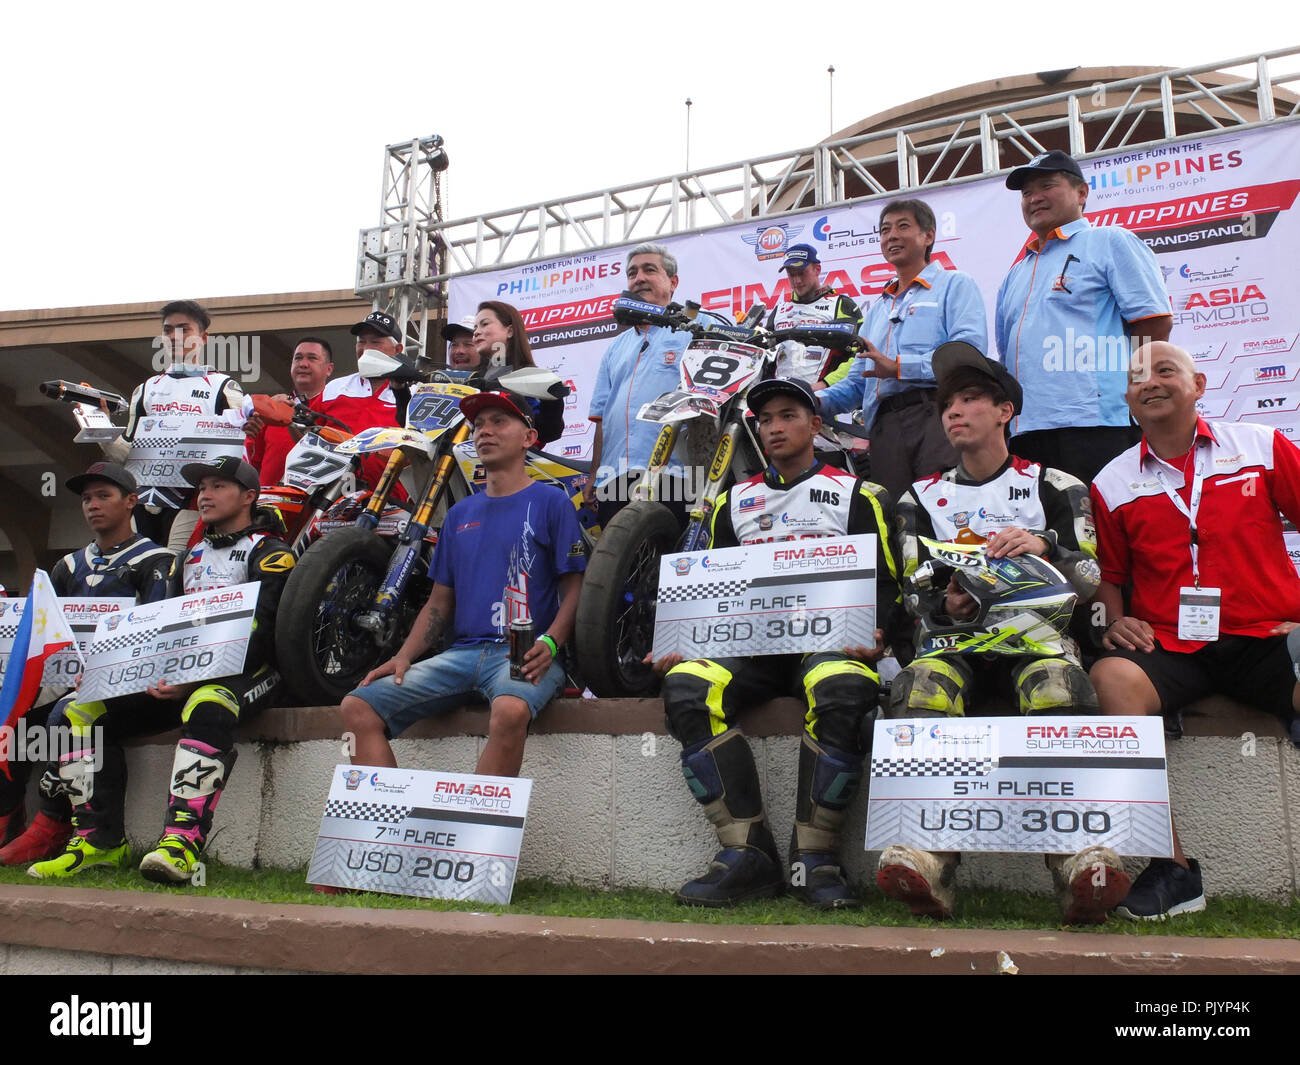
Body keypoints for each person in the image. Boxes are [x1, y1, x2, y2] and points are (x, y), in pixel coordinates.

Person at [875, 341, 1124, 924]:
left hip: (1039, 638)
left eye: (969, 399)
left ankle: (1078, 858)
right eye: (946, 405)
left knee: (1056, 684)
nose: (953, 412)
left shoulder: (1058, 485)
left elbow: (1089, 577)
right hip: (953, 643)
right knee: (920, 687)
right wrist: (950, 600)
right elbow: (913, 590)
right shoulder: (919, 496)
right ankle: (927, 855)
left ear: (1005, 411)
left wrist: (1044, 547)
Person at [650, 377, 905, 910]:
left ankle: (815, 858)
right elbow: (707, 584)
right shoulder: (730, 501)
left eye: (788, 415)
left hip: (832, 642)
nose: (774, 427)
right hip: (751, 645)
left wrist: (880, 634)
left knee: (840, 687)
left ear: (816, 426)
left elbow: (888, 582)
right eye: (765, 419)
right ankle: (746, 854)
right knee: (688, 686)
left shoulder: (861, 494)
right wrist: (682, 637)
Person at [1090, 342, 1300, 919]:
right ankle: (1174, 869)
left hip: (1266, 636)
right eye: (1137, 378)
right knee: (1111, 677)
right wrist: (1118, 619)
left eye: (1165, 370)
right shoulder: (1110, 482)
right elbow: (1111, 578)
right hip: (1175, 645)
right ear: (1128, 400)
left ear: (1200, 383)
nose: (1150, 382)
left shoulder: (1260, 445)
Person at [28, 458, 295, 883]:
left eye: (218, 486)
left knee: (208, 704)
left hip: (255, 674)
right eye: (201, 487)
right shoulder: (187, 556)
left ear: (249, 497)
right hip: (184, 676)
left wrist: (195, 678)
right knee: (82, 711)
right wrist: (115, 674)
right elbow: (160, 628)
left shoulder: (271, 553)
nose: (204, 494)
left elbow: (262, 632)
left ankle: (181, 844)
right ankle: (98, 843)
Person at [340, 391, 587, 778]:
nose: (485, 431)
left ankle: (474, 837)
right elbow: (439, 603)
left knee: (509, 710)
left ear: (529, 438)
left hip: (524, 655)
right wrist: (404, 656)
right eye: (478, 425)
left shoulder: (552, 501)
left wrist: (551, 643)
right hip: (462, 656)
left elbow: (576, 588)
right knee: (357, 707)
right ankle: (391, 831)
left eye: (498, 422)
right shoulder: (458, 514)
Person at [0, 462, 173, 865]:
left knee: (67, 714)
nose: (93, 505)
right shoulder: (67, 566)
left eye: (103, 496)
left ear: (132, 502)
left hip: (134, 686)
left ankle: (55, 825)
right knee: (11, 717)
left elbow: (157, 634)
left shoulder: (158, 560)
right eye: (86, 499)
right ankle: (9, 819)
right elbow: (45, 637)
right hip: (73, 681)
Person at [995, 150, 1173, 485]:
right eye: (1026, 193)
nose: (1034, 198)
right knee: (1048, 534)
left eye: (1046, 186)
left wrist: (1131, 391)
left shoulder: (1108, 241)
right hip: (1026, 428)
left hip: (1098, 424)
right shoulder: (1015, 273)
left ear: (1081, 193)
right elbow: (1007, 357)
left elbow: (1154, 323)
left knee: (1106, 530)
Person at [818, 199, 988, 502]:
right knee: (898, 523)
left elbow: (968, 357)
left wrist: (898, 367)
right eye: (884, 230)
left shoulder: (954, 285)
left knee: (946, 513)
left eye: (902, 226)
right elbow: (857, 382)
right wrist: (807, 401)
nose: (891, 236)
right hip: (884, 429)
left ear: (928, 236)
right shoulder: (878, 310)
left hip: (938, 418)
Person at [102, 300, 245, 553]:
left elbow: (235, 455)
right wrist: (100, 427)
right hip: (144, 501)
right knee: (140, 572)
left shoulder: (225, 387)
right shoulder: (145, 389)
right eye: (168, 330)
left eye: (184, 329)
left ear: (203, 337)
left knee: (173, 572)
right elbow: (127, 454)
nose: (175, 336)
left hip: (192, 500)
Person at [583, 243, 699, 529]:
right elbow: (602, 417)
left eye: (650, 270)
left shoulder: (698, 329)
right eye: (632, 273)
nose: (639, 278)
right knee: (616, 569)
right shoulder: (615, 347)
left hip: (678, 474)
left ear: (673, 282)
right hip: (615, 476)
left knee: (674, 565)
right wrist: (595, 475)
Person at [765, 243, 862, 387]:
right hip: (782, 396)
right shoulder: (779, 310)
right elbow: (766, 357)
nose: (797, 280)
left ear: (817, 269)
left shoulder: (842, 304)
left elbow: (860, 355)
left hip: (825, 397)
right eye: (791, 274)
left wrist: (824, 385)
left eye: (802, 272)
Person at [242, 337, 335, 486]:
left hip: (314, 505)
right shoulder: (273, 408)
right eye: (298, 358)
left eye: (312, 358)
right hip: (269, 503)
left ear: (329, 369)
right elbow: (251, 463)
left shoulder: (336, 408)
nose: (303, 364)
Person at [472, 301, 566, 446]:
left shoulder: (531, 378)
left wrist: (553, 402)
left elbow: (549, 430)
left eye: (484, 324)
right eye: (475, 327)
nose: (476, 332)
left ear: (510, 331)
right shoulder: (474, 377)